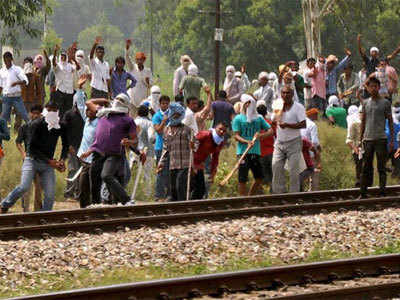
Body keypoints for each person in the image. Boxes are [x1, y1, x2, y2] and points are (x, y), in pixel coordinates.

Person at [1, 101, 68, 213]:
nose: (52, 113)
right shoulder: (36, 125)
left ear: (58, 112)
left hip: (47, 164)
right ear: (45, 111)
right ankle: (5, 204)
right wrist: (50, 161)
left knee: (50, 194)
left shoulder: (61, 126)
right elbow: (31, 148)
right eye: (50, 110)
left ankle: (44, 216)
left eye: (54, 110)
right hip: (32, 160)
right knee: (24, 187)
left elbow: (66, 144)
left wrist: (62, 160)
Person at [81, 93, 144, 205]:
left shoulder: (128, 120)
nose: (118, 101)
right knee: (94, 178)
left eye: (121, 100)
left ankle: (126, 200)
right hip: (98, 152)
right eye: (117, 99)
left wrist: (129, 142)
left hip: (114, 154)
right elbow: (88, 102)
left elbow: (135, 140)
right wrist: (104, 100)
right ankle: (95, 204)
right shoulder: (103, 114)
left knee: (106, 175)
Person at [232, 94, 273, 196]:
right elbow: (236, 136)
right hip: (243, 153)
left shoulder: (259, 118)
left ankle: (249, 197)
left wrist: (261, 135)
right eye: (247, 103)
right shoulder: (238, 118)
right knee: (242, 179)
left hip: (255, 152)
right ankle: (242, 200)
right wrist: (246, 141)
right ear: (244, 105)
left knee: (259, 177)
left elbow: (271, 131)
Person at [360, 77, 393, 198]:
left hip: (381, 138)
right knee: (366, 167)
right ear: (368, 89)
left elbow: (390, 121)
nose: (373, 88)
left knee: (381, 167)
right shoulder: (365, 103)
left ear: (379, 87)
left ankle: (382, 192)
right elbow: (363, 121)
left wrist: (391, 140)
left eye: (375, 86)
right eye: (371, 86)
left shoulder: (385, 103)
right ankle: (363, 193)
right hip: (368, 139)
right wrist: (360, 138)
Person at [75, 76, 105, 208]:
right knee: (83, 189)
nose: (88, 111)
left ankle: (95, 211)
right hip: (84, 160)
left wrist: (101, 101)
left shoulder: (100, 122)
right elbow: (82, 103)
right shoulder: (87, 120)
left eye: (91, 110)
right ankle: (84, 212)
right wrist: (80, 88)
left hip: (94, 160)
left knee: (94, 188)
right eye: (87, 111)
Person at [271, 86, 306, 194]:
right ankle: (279, 194)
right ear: (281, 94)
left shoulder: (298, 107)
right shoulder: (278, 105)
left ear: (292, 94)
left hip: (294, 142)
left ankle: (293, 195)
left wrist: (288, 125)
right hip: (279, 142)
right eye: (284, 93)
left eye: (288, 93)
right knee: (276, 166)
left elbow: (303, 124)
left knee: (293, 171)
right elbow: (273, 120)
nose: (285, 95)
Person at [157, 102, 193, 202]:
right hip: (173, 164)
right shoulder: (167, 130)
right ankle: (174, 210)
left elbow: (196, 143)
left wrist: (193, 145)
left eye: (178, 115)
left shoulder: (187, 129)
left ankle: (182, 208)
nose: (175, 117)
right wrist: (161, 162)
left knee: (180, 186)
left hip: (185, 164)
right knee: (173, 189)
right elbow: (166, 148)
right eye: (174, 115)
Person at [16, 105, 43, 212]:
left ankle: (37, 210)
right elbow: (18, 142)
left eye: (38, 113)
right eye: (34, 113)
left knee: (39, 186)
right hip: (28, 159)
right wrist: (23, 154)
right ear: (30, 114)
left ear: (41, 114)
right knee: (25, 186)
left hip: (41, 160)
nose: (35, 115)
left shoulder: (44, 127)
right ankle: (25, 209)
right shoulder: (24, 127)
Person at [62, 83, 85, 200]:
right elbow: (64, 131)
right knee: (72, 170)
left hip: (83, 148)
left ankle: (78, 194)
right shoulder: (69, 114)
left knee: (82, 171)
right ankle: (69, 193)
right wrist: (68, 145)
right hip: (72, 147)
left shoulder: (86, 115)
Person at [191, 122, 226, 200]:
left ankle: (195, 208)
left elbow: (215, 158)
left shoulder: (220, 142)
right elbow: (192, 146)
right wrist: (192, 165)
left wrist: (213, 173)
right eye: (220, 129)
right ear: (215, 128)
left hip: (199, 165)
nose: (221, 132)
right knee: (190, 188)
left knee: (200, 190)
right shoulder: (205, 135)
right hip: (190, 164)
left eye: (224, 131)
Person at [0, 51, 30, 125]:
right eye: (5, 60)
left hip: (16, 97)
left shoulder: (17, 69)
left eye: (8, 59)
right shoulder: (2, 71)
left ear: (11, 59)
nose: (7, 61)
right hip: (6, 97)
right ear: (3, 60)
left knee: (25, 115)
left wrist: (17, 83)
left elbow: (25, 81)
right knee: (4, 118)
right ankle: (3, 134)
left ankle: (32, 130)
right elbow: (0, 85)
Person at [125, 40, 153, 114]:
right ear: (136, 60)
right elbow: (127, 58)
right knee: (132, 116)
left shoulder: (148, 71)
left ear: (144, 60)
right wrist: (127, 49)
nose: (139, 61)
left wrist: (147, 82)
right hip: (132, 97)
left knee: (141, 116)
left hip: (143, 98)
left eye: (141, 59)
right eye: (138, 59)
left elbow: (150, 85)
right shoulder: (132, 68)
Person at [15, 57, 42, 132]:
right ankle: (17, 132)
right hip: (21, 99)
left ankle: (31, 131)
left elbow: (39, 91)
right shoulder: (19, 75)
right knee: (18, 118)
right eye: (25, 63)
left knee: (31, 119)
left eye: (28, 63)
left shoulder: (35, 76)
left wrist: (38, 102)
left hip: (31, 100)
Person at [53, 44, 80, 118]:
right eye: (61, 56)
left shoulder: (70, 66)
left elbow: (78, 67)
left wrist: (74, 59)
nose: (62, 57)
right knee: (60, 110)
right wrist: (55, 51)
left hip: (69, 91)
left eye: (64, 56)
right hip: (60, 90)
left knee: (68, 110)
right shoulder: (58, 66)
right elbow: (53, 63)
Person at [152, 95, 171, 201]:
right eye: (163, 103)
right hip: (160, 146)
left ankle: (168, 194)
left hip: (170, 146)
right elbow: (158, 130)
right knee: (160, 170)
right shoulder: (157, 116)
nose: (164, 105)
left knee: (169, 171)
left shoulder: (171, 114)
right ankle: (158, 195)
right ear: (160, 104)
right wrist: (164, 121)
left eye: (166, 103)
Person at [134, 104, 156, 197]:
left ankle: (134, 192)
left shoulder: (134, 121)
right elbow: (151, 137)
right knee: (147, 173)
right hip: (147, 152)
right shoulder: (149, 123)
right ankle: (146, 194)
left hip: (134, 151)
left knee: (134, 173)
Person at [301, 108, 321, 191]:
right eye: (316, 114)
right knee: (314, 175)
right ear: (311, 115)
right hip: (310, 154)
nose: (317, 116)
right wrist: (318, 152)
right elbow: (315, 142)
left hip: (299, 154)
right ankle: (313, 194)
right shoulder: (312, 125)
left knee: (301, 175)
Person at [256, 100, 275, 192]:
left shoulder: (255, 124)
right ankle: (272, 194)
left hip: (260, 153)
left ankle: (263, 195)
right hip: (271, 152)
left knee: (262, 177)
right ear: (266, 112)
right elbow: (276, 136)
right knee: (272, 176)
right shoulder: (270, 123)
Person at [346, 105, 364, 187]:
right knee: (359, 169)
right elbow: (348, 140)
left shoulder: (368, 124)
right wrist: (355, 149)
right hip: (358, 150)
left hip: (367, 150)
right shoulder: (354, 124)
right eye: (361, 113)